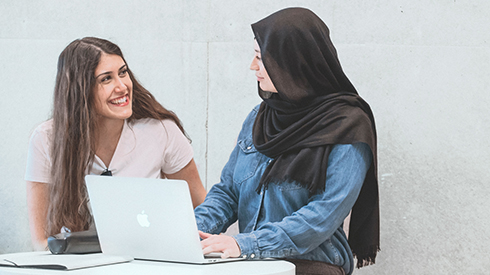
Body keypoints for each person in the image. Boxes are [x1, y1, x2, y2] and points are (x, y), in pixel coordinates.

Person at [194, 8, 379, 275]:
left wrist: (244, 244)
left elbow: (322, 216)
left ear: (291, 61)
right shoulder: (260, 116)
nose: (252, 66)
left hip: (310, 266)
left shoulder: (348, 125)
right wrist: (190, 231)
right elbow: (228, 193)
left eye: (260, 57)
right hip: (252, 265)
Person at [25, 37, 207, 251]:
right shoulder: (46, 139)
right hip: (79, 265)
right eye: (106, 79)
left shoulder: (161, 130)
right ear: (80, 90)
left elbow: (202, 208)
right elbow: (42, 240)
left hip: (150, 258)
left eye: (123, 72)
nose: (122, 86)